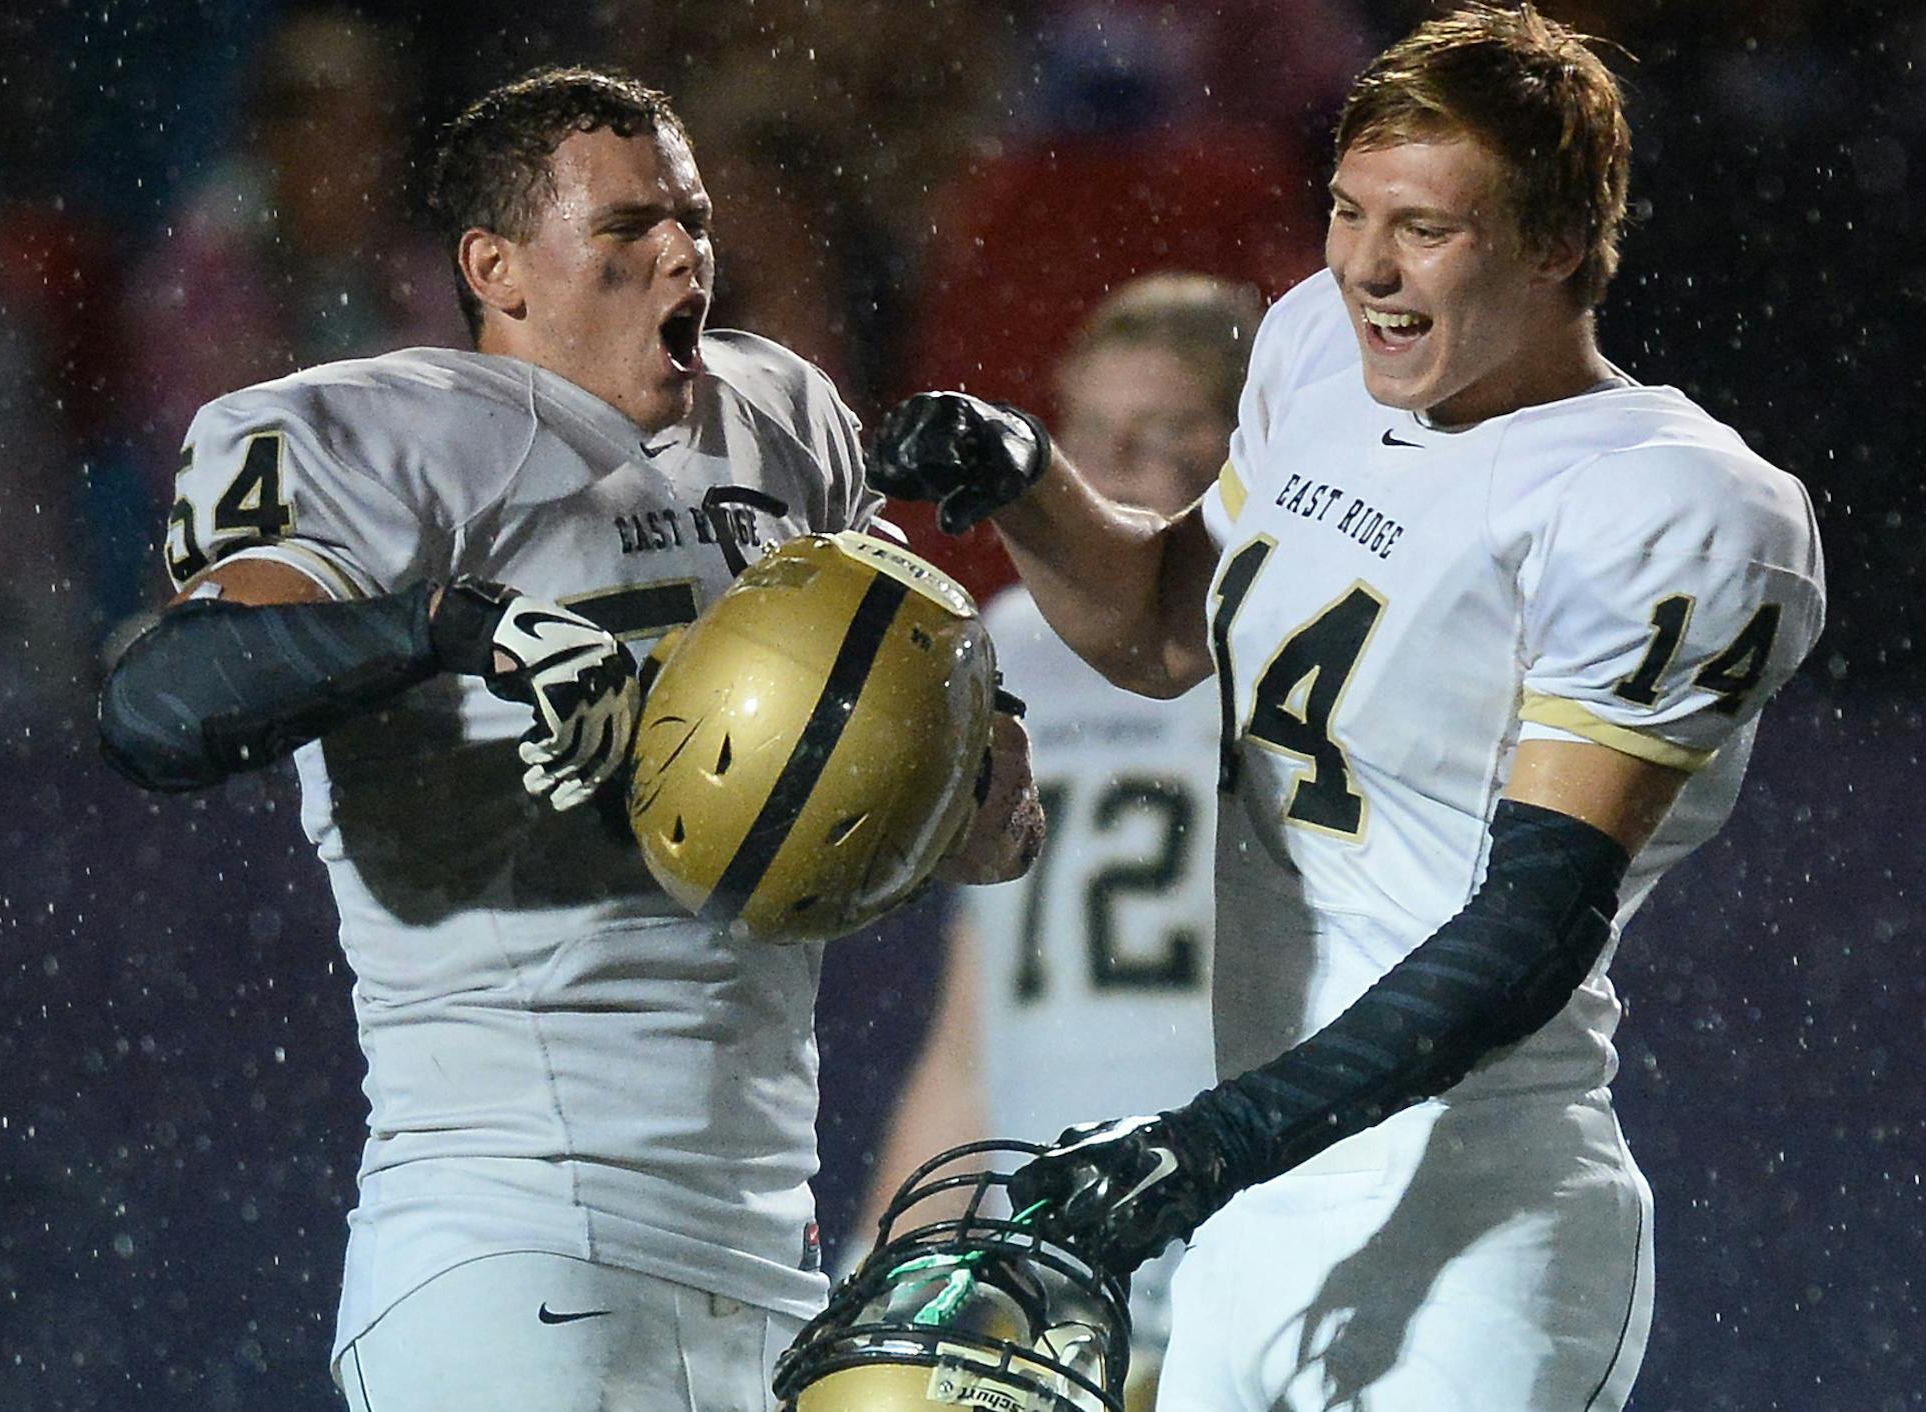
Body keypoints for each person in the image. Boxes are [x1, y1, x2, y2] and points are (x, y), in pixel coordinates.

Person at [866, 6, 1827, 1409]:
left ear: (1560, 243)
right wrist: (1027, 485)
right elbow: (1162, 630)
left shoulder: (1678, 501)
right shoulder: (1320, 347)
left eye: (1426, 227)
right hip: (1250, 1199)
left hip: (1468, 1202)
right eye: (1347, 209)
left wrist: (1216, 1139)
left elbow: (1532, 927)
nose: (1366, 266)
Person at [96, 67, 1037, 1412]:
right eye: (628, 229)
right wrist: (446, 629)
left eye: (695, 221)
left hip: (773, 1258)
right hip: (511, 1238)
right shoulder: (370, 432)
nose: (684, 254)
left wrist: (971, 754)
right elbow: (159, 707)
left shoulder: (785, 416)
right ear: (499, 268)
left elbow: (987, 818)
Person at [859, 272, 1262, 1404]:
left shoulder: (1281, 632)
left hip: (1247, 1247)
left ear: (1245, 441)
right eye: (1092, 432)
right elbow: (972, 1025)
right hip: (1047, 1277)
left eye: (1167, 428)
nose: (1122, 460)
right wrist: (890, 1264)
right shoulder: (1006, 644)